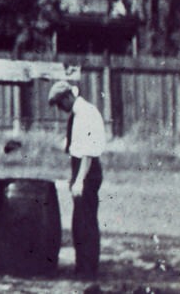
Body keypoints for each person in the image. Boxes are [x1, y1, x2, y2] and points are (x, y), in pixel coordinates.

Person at [48, 80, 105, 279]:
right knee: (80, 221)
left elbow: (88, 151)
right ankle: (83, 266)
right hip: (80, 168)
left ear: (67, 97)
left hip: (87, 171)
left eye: (59, 103)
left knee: (86, 221)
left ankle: (88, 269)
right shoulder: (77, 114)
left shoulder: (86, 113)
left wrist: (80, 179)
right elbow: (76, 145)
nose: (59, 108)